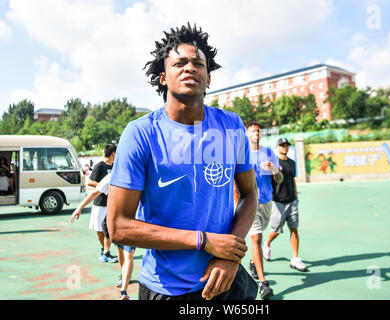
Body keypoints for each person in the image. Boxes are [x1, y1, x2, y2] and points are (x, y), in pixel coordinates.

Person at [107, 23, 258, 301]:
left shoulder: (231, 125)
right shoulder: (141, 134)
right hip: (167, 290)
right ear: (163, 77)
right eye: (180, 63)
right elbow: (118, 226)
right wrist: (204, 240)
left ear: (209, 77)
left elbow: (249, 195)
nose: (190, 68)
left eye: (198, 63)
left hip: (227, 280)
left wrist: (231, 257)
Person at [70, 173, 135, 300]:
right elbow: (95, 193)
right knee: (124, 253)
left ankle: (124, 289)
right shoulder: (114, 176)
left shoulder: (128, 174)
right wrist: (79, 207)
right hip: (117, 220)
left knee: (127, 253)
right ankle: (124, 282)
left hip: (124, 220)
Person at [245, 122, 283, 299]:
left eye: (258, 131)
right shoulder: (241, 154)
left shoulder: (268, 152)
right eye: (253, 131)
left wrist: (274, 169)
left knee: (259, 239)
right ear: (247, 134)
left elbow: (280, 179)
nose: (256, 134)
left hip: (267, 202)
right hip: (249, 203)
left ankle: (254, 261)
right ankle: (263, 283)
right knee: (256, 237)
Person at [264, 137, 307, 272]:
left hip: (292, 200)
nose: (285, 148)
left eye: (286, 145)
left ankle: (295, 258)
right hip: (278, 202)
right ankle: (267, 243)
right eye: (282, 145)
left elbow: (293, 180)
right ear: (278, 147)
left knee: (294, 229)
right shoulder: (273, 164)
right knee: (276, 229)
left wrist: (296, 196)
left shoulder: (292, 163)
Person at [88, 144, 118, 263]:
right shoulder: (99, 166)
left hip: (112, 203)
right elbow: (90, 182)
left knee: (109, 228)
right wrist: (104, 186)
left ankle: (106, 251)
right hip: (100, 203)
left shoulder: (116, 166)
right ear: (113, 154)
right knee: (100, 229)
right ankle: (105, 250)